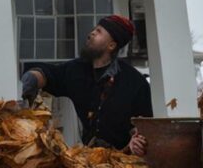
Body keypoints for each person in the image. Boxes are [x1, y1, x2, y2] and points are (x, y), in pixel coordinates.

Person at [21, 15, 151, 154]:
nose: (92, 33)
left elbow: (144, 125)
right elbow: (51, 74)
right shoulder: (77, 69)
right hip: (88, 158)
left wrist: (136, 141)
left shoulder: (135, 83)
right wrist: (34, 77)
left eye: (99, 31)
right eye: (94, 29)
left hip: (124, 160)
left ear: (111, 45)